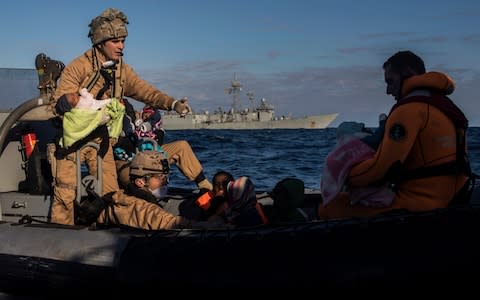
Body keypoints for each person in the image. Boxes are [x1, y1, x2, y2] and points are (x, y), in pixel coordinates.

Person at [49, 7, 210, 226]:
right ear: (100, 42)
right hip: (72, 142)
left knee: (111, 194)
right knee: (65, 193)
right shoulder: (78, 67)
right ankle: (59, 236)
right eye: (116, 41)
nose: (121, 46)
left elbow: (145, 91)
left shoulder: (121, 69)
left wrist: (172, 103)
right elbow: (58, 106)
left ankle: (106, 225)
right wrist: (80, 94)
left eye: (123, 40)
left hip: (102, 139)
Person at [318, 50, 473, 219]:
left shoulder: (408, 111)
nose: (388, 90)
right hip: (454, 196)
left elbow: (380, 169)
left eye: (390, 81)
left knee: (328, 208)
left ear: (408, 74)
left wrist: (343, 174)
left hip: (421, 203)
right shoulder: (443, 105)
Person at [114, 102, 212, 193]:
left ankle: (205, 186)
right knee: (130, 177)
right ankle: (143, 195)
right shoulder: (114, 110)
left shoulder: (136, 113)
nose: (147, 115)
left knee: (182, 146)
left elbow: (157, 140)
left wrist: (154, 130)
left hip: (149, 152)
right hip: (126, 158)